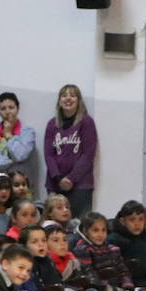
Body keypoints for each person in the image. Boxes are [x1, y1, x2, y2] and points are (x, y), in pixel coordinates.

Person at [43, 84, 98, 217]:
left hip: (80, 186)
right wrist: (58, 178)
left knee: (79, 224)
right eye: (64, 95)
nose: (68, 99)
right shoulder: (52, 124)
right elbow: (48, 155)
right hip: (55, 184)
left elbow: (88, 154)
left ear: (79, 100)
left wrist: (71, 179)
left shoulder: (86, 122)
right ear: (59, 100)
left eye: (73, 95)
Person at [0, 92, 37, 186]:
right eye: (3, 109)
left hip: (18, 187)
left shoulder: (27, 132)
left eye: (11, 107)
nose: (8, 111)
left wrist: (8, 135)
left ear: (18, 108)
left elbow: (20, 155)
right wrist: (10, 161)